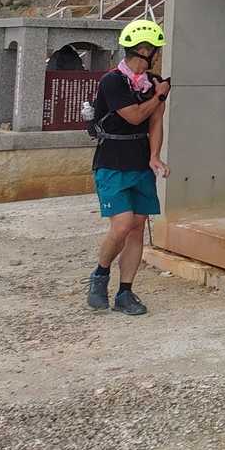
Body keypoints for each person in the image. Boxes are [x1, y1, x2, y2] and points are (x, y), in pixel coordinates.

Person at [85, 19, 171, 316]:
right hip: (111, 162)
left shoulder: (154, 81)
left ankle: (125, 292)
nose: (157, 55)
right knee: (122, 225)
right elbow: (134, 116)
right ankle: (100, 274)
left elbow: (156, 121)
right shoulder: (113, 81)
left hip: (140, 162)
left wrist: (155, 155)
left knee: (136, 228)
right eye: (155, 49)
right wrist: (159, 95)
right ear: (144, 50)